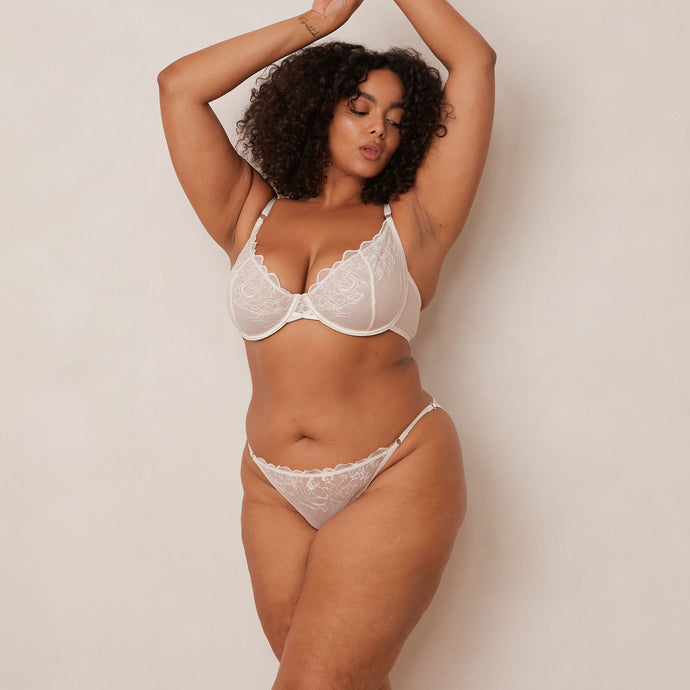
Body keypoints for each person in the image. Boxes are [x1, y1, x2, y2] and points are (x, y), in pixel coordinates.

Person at [158, 0, 495, 687]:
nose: (378, 129)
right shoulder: (248, 212)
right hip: (273, 486)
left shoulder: (417, 219)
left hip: (396, 470)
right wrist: (317, 22)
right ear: (316, 110)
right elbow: (179, 87)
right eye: (360, 108)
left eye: (396, 120)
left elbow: (474, 61)